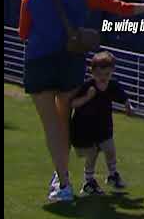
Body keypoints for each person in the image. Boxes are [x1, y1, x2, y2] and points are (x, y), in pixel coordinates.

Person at [18, 0, 144, 202]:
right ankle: (61, 176)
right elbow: (122, 8)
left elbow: (23, 32)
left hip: (39, 61)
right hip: (70, 62)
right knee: (65, 119)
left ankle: (63, 182)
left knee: (51, 125)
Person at [52, 51, 133, 195]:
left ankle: (113, 174)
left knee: (110, 149)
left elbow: (122, 96)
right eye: (100, 74)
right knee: (92, 155)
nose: (103, 78)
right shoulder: (88, 86)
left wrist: (128, 106)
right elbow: (73, 103)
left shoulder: (112, 85)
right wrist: (88, 97)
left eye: (107, 74)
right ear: (93, 72)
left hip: (104, 127)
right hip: (85, 129)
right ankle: (88, 182)